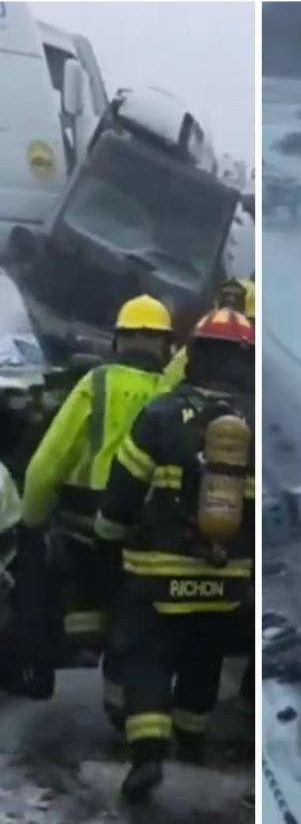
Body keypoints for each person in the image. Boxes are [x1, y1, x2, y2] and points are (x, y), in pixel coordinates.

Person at [96, 308, 255, 802]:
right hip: (228, 575)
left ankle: (147, 754)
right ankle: (192, 740)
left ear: (193, 354)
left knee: (145, 655)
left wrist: (106, 538)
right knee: (203, 656)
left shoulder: (163, 413)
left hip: (156, 572)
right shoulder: (252, 422)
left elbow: (123, 490)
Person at [17, 296, 174, 697]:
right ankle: (119, 689)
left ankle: (59, 648)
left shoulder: (97, 383)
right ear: (166, 345)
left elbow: (47, 463)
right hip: (146, 527)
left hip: (84, 520)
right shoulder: (173, 394)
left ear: (119, 341)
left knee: (46, 568)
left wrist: (31, 523)